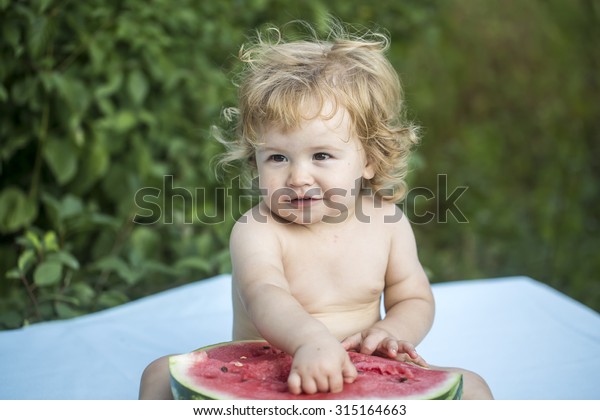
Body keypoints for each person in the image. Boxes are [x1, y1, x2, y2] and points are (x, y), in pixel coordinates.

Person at [139, 20, 493, 399]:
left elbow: (413, 297)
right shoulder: (257, 229)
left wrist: (391, 334)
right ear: (254, 162)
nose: (298, 177)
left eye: (321, 155)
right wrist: (309, 340)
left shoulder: (388, 224)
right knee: (159, 375)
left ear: (370, 159)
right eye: (277, 157)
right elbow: (264, 293)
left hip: (361, 371)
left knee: (473, 387)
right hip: (269, 372)